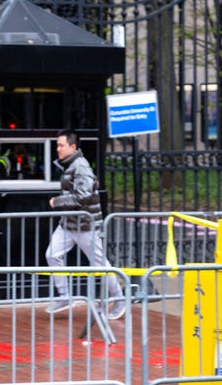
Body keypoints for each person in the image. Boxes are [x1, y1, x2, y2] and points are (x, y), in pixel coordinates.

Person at [45, 128, 125, 319]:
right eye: (57, 145)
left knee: (100, 264)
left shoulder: (81, 167)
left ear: (73, 147)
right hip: (68, 224)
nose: (58, 149)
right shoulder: (69, 165)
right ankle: (65, 296)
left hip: (85, 226)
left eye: (61, 145)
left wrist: (57, 202)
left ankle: (120, 299)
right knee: (52, 254)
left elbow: (84, 196)